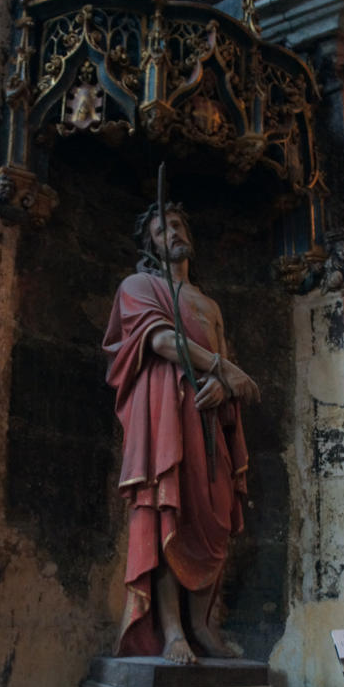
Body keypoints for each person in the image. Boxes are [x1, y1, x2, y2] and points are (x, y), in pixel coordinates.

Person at [103, 202, 260, 663]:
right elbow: (162, 341)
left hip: (208, 417)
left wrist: (220, 385)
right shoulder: (139, 286)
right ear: (149, 244)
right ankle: (172, 631)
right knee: (168, 510)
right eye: (159, 230)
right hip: (166, 416)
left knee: (212, 516)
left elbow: (219, 359)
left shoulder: (208, 305)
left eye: (175, 224)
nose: (170, 233)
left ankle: (201, 627)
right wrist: (225, 369)